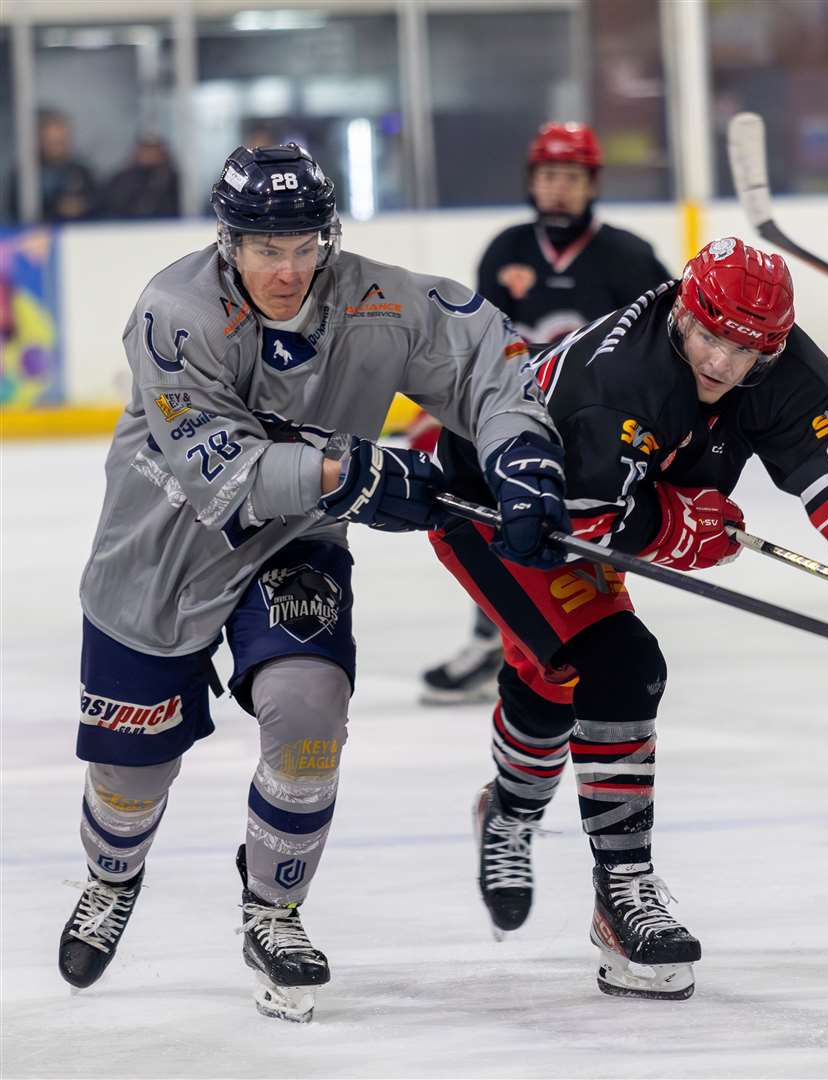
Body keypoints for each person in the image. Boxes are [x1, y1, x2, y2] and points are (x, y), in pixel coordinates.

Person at [58, 143, 565, 1022]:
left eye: (304, 246)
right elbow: (219, 468)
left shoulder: (372, 297)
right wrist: (349, 475)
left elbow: (484, 349)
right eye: (265, 249)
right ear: (228, 242)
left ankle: (274, 910)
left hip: (290, 548)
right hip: (158, 556)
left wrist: (520, 453)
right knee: (131, 777)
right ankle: (112, 878)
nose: (287, 269)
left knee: (308, 712)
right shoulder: (173, 313)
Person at [429, 237, 828, 1000]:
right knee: (619, 665)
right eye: (710, 336)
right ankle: (621, 893)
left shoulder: (784, 369)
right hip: (496, 508)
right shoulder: (616, 383)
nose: (723, 362)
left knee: (558, 672)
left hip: (591, 500)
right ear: (683, 311)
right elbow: (581, 525)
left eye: (748, 349)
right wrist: (670, 526)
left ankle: (508, 813)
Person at [418, 120, 672, 706]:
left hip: (599, 437)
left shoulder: (629, 258)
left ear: (592, 184)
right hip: (517, 424)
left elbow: (665, 349)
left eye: (571, 176)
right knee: (499, 524)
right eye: (549, 175)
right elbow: (479, 346)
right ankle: (497, 640)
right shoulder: (507, 250)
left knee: (581, 546)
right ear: (533, 181)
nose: (559, 188)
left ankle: (586, 645)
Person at [7, 108, 97, 222]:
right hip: (38, 233)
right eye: (52, 142)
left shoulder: (82, 171)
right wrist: (56, 209)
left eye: (62, 142)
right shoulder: (27, 174)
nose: (58, 148)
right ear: (41, 141)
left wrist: (82, 206)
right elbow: (16, 210)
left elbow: (98, 204)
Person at [100, 134, 181, 220]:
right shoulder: (122, 178)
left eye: (154, 148)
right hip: (125, 228)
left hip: (161, 228)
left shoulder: (171, 180)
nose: (149, 153)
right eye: (146, 148)